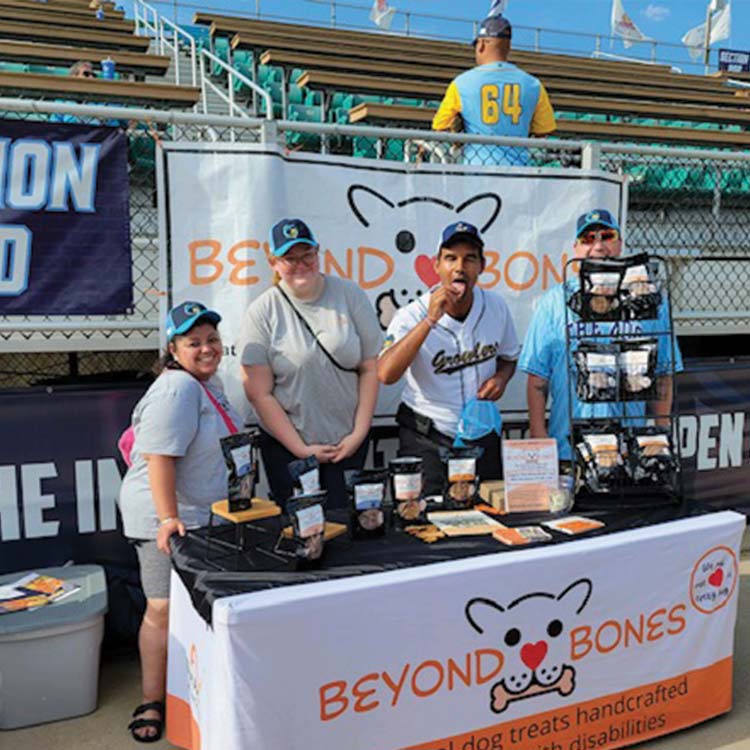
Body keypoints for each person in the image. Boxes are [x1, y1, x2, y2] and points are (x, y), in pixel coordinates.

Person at [118, 301, 241, 743]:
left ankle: (193, 691)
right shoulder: (178, 389)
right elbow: (159, 460)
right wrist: (168, 518)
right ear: (173, 349)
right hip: (165, 517)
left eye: (212, 340)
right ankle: (153, 700)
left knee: (194, 610)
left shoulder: (210, 384)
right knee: (162, 607)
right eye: (194, 343)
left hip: (199, 515)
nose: (207, 349)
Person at [239, 218, 382, 509]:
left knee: (349, 533)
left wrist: (359, 433)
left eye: (307, 255)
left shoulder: (349, 294)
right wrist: (302, 450)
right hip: (289, 451)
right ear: (274, 263)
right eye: (289, 258)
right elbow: (258, 392)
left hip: (347, 446)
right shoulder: (263, 311)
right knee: (305, 541)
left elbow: (370, 366)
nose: (300, 264)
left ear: (318, 253)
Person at [519, 209, 683, 461]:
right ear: (575, 249)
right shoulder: (554, 301)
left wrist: (660, 435)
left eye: (607, 236)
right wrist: (541, 442)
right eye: (587, 239)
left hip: (630, 453)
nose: (598, 245)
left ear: (619, 244)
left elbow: (663, 374)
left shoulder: (651, 303)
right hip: (569, 450)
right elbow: (537, 380)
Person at [377, 221, 520, 494]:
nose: (459, 267)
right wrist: (430, 320)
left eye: (469, 259)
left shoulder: (496, 306)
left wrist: (502, 377)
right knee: (423, 521)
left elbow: (509, 356)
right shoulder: (411, 315)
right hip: (427, 437)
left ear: (482, 266)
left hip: (481, 435)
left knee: (489, 517)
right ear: (436, 265)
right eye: (451, 258)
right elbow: (386, 374)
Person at [432, 15, 556, 166]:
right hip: (518, 170)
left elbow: (440, 126)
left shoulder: (462, 83)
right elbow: (543, 130)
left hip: (477, 168)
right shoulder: (533, 84)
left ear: (481, 44)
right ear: (509, 46)